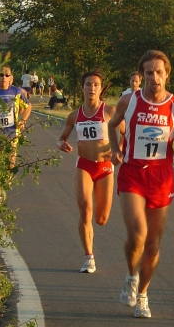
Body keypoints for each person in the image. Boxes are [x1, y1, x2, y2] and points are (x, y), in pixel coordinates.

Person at [108, 50, 174, 318]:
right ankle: (131, 275)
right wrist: (115, 150)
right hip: (133, 173)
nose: (154, 77)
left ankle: (143, 295)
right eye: (149, 72)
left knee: (153, 244)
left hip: (161, 177)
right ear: (142, 75)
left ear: (167, 74)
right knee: (137, 235)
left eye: (159, 72)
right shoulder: (130, 100)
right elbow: (113, 124)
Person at [57, 69, 122, 273]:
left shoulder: (110, 112)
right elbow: (62, 137)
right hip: (84, 166)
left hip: (104, 167)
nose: (92, 88)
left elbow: (127, 134)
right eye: (88, 84)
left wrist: (119, 152)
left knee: (101, 219)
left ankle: (91, 242)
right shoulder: (74, 115)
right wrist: (61, 144)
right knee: (85, 209)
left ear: (100, 88)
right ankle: (89, 257)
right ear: (82, 87)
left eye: (95, 84)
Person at [0, 64, 32, 163]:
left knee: (11, 161)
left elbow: (28, 106)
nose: (4, 77)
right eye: (1, 75)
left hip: (12, 132)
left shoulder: (16, 91)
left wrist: (23, 120)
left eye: (7, 75)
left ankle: (9, 177)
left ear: (11, 78)